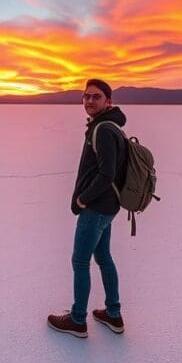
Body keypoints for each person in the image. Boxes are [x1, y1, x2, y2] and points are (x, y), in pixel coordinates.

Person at [47, 79, 127, 338]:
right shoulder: (111, 126)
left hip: (96, 208)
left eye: (96, 96)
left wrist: (83, 199)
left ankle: (77, 320)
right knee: (103, 258)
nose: (90, 101)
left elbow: (106, 173)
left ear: (108, 101)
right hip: (108, 207)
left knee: (80, 261)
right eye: (86, 97)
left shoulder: (103, 129)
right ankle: (113, 314)